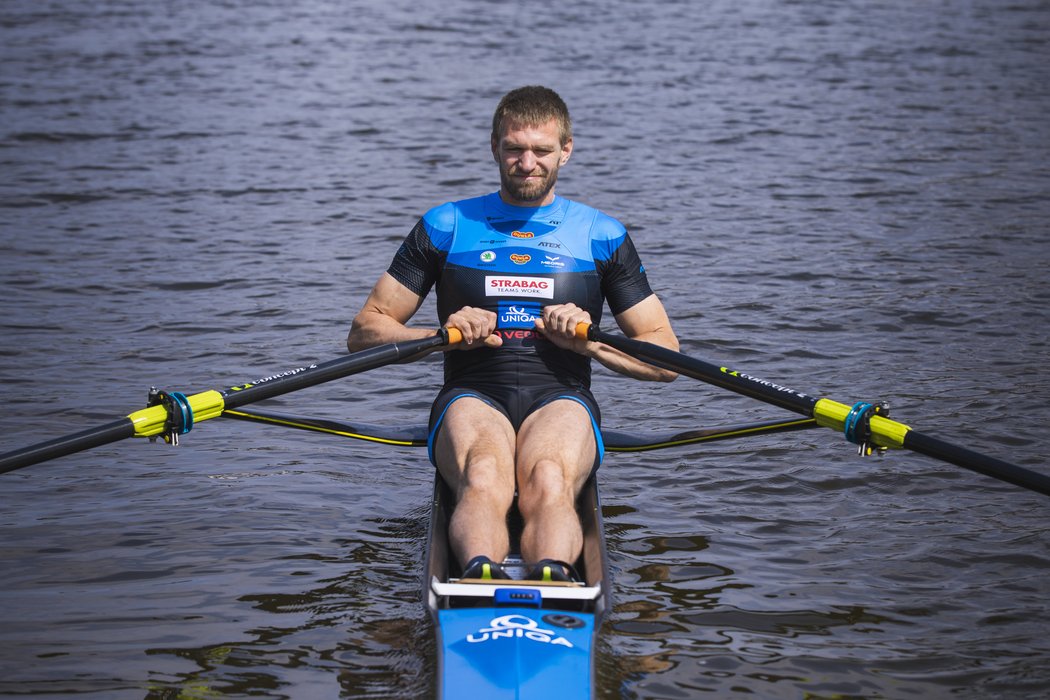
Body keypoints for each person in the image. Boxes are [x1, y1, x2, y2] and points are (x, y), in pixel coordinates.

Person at [347, 85, 678, 582]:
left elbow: (665, 356)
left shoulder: (601, 234)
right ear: (495, 148)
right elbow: (365, 331)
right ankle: (481, 579)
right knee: (484, 472)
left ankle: (550, 580)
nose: (527, 163)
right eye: (514, 149)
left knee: (548, 476)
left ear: (566, 150)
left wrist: (592, 343)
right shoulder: (446, 225)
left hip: (562, 396)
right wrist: (440, 332)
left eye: (542, 150)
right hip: (472, 392)